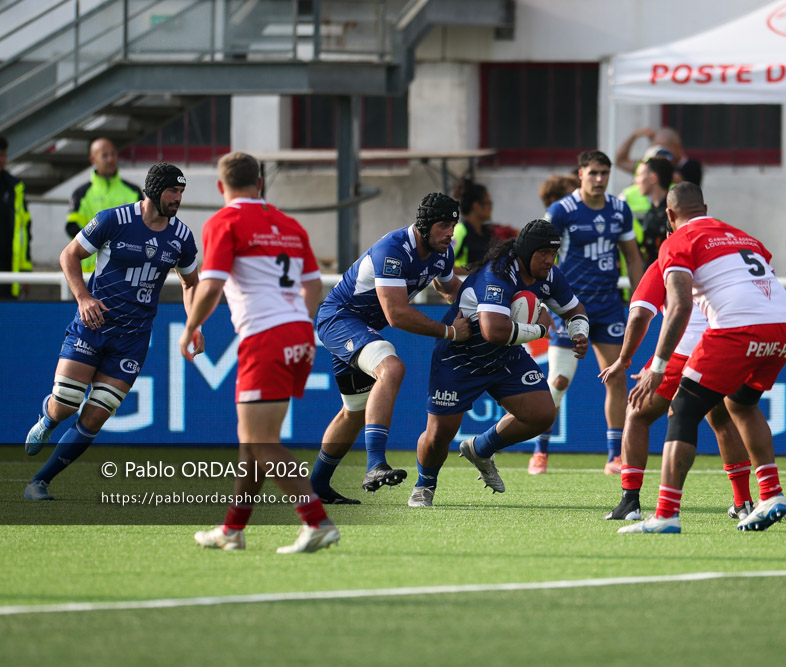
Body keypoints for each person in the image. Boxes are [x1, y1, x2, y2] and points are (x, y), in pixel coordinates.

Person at [181, 151, 339, 553]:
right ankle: (232, 530)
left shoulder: (224, 220)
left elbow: (211, 286)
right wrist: (296, 322)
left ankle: (316, 521)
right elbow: (313, 283)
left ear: (221, 187)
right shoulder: (288, 224)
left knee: (261, 441)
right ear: (261, 182)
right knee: (253, 441)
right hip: (300, 335)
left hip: (265, 338)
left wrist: (191, 327)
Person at [620, 182, 786, 534]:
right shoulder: (743, 237)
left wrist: (656, 366)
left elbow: (680, 305)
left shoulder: (677, 241)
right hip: (785, 326)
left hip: (736, 329)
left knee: (683, 410)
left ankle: (666, 514)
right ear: (705, 207)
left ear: (670, 215)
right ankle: (771, 494)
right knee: (742, 406)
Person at [23, 163, 200, 500]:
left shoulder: (181, 237)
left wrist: (194, 324)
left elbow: (191, 283)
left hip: (132, 339)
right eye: (172, 191)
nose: (178, 199)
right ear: (153, 189)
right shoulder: (113, 221)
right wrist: (83, 297)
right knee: (67, 403)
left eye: (181, 193)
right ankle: (48, 418)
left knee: (95, 416)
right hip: (93, 326)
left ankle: (40, 482)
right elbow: (69, 255)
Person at [408, 220, 589, 506]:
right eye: (542, 253)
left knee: (542, 414)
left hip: (505, 356)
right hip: (461, 357)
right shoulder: (498, 273)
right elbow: (494, 331)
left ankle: (481, 448)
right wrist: (541, 330)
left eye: (553, 253)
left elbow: (574, 309)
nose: (549, 260)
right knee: (439, 434)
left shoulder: (550, 275)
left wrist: (579, 332)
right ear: (526, 251)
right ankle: (424, 486)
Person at [311, 193, 471, 499]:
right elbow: (396, 315)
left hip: (361, 327)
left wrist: (485, 307)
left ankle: (317, 485)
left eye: (453, 224)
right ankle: (375, 464)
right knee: (392, 367)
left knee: (355, 411)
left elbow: (451, 288)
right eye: (443, 225)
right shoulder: (393, 249)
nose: (450, 232)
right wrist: (450, 331)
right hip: (340, 319)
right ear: (423, 225)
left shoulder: (442, 252)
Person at [599, 261, 756, 522]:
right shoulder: (723, 256)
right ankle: (744, 503)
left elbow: (639, 314)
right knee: (722, 419)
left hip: (682, 351)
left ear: (671, 218)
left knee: (637, 414)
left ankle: (631, 503)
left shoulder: (667, 259)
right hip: (723, 347)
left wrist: (624, 359)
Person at [528, 150, 644, 475]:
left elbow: (632, 257)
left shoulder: (620, 210)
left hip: (608, 307)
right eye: (593, 172)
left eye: (604, 173)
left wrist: (639, 300)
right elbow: (537, 254)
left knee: (616, 378)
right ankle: (540, 450)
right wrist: (540, 301)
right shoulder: (562, 211)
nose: (599, 179)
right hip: (569, 309)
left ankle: (614, 456)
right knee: (559, 381)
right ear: (580, 174)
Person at [66, 138, 143, 274]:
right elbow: (72, 227)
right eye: (105, 155)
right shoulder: (81, 194)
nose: (110, 159)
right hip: (90, 275)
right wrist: (100, 241)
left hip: (126, 272)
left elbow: (144, 227)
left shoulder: (133, 191)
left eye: (113, 154)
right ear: (93, 159)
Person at [0, 133, 32, 300]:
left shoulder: (14, 187)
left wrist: (26, 272)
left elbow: (24, 232)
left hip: (8, 267)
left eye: (2, 154)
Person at [632, 156, 674, 267]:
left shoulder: (672, 214)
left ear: (653, 177)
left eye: (639, 175)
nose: (635, 180)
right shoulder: (653, 210)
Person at [451, 179, 496, 275]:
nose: (490, 208)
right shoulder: (460, 230)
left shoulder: (486, 232)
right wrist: (474, 271)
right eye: (488, 203)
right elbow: (443, 266)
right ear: (476, 206)